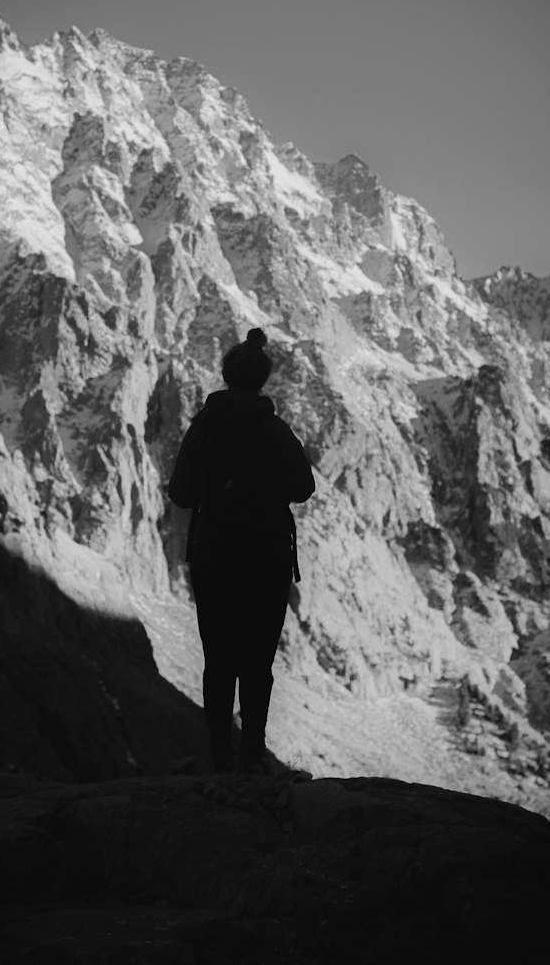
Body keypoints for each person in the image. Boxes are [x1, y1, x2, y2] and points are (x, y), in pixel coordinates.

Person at [168, 328, 315, 774]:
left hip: (214, 554)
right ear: (262, 380)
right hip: (266, 555)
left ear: (226, 375)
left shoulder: (202, 427)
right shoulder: (275, 429)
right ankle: (253, 754)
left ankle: (219, 754)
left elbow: (181, 492)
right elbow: (303, 488)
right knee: (257, 659)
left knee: (219, 658)